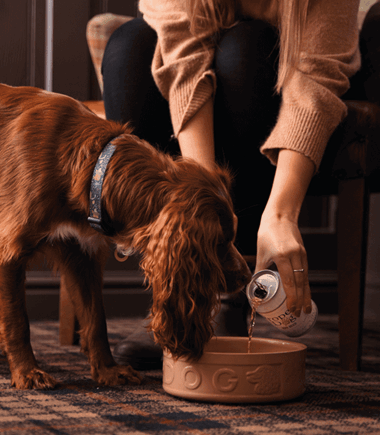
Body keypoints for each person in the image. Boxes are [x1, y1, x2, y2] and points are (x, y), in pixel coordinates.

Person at [102, 0, 361, 369]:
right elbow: (183, 61)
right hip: (188, 95)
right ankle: (180, 290)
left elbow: (315, 82)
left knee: (245, 49)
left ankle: (228, 301)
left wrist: (282, 214)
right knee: (126, 49)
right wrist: (203, 201)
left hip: (278, 88)